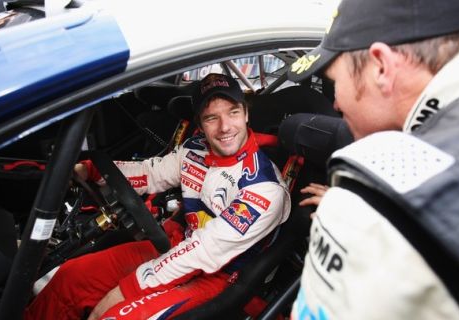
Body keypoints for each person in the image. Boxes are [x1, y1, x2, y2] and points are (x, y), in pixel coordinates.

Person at [24, 73, 291, 320]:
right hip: (177, 245)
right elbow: (150, 173)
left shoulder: (263, 188)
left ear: (245, 113)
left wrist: (127, 290)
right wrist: (91, 170)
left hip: (218, 275)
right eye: (211, 118)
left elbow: (204, 252)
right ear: (200, 123)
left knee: (116, 316)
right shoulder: (194, 150)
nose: (224, 127)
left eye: (233, 113)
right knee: (71, 278)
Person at [287, 0, 459, 318]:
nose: (336, 103)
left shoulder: (359, 210)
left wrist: (354, 209)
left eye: (334, 82)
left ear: (382, 67)